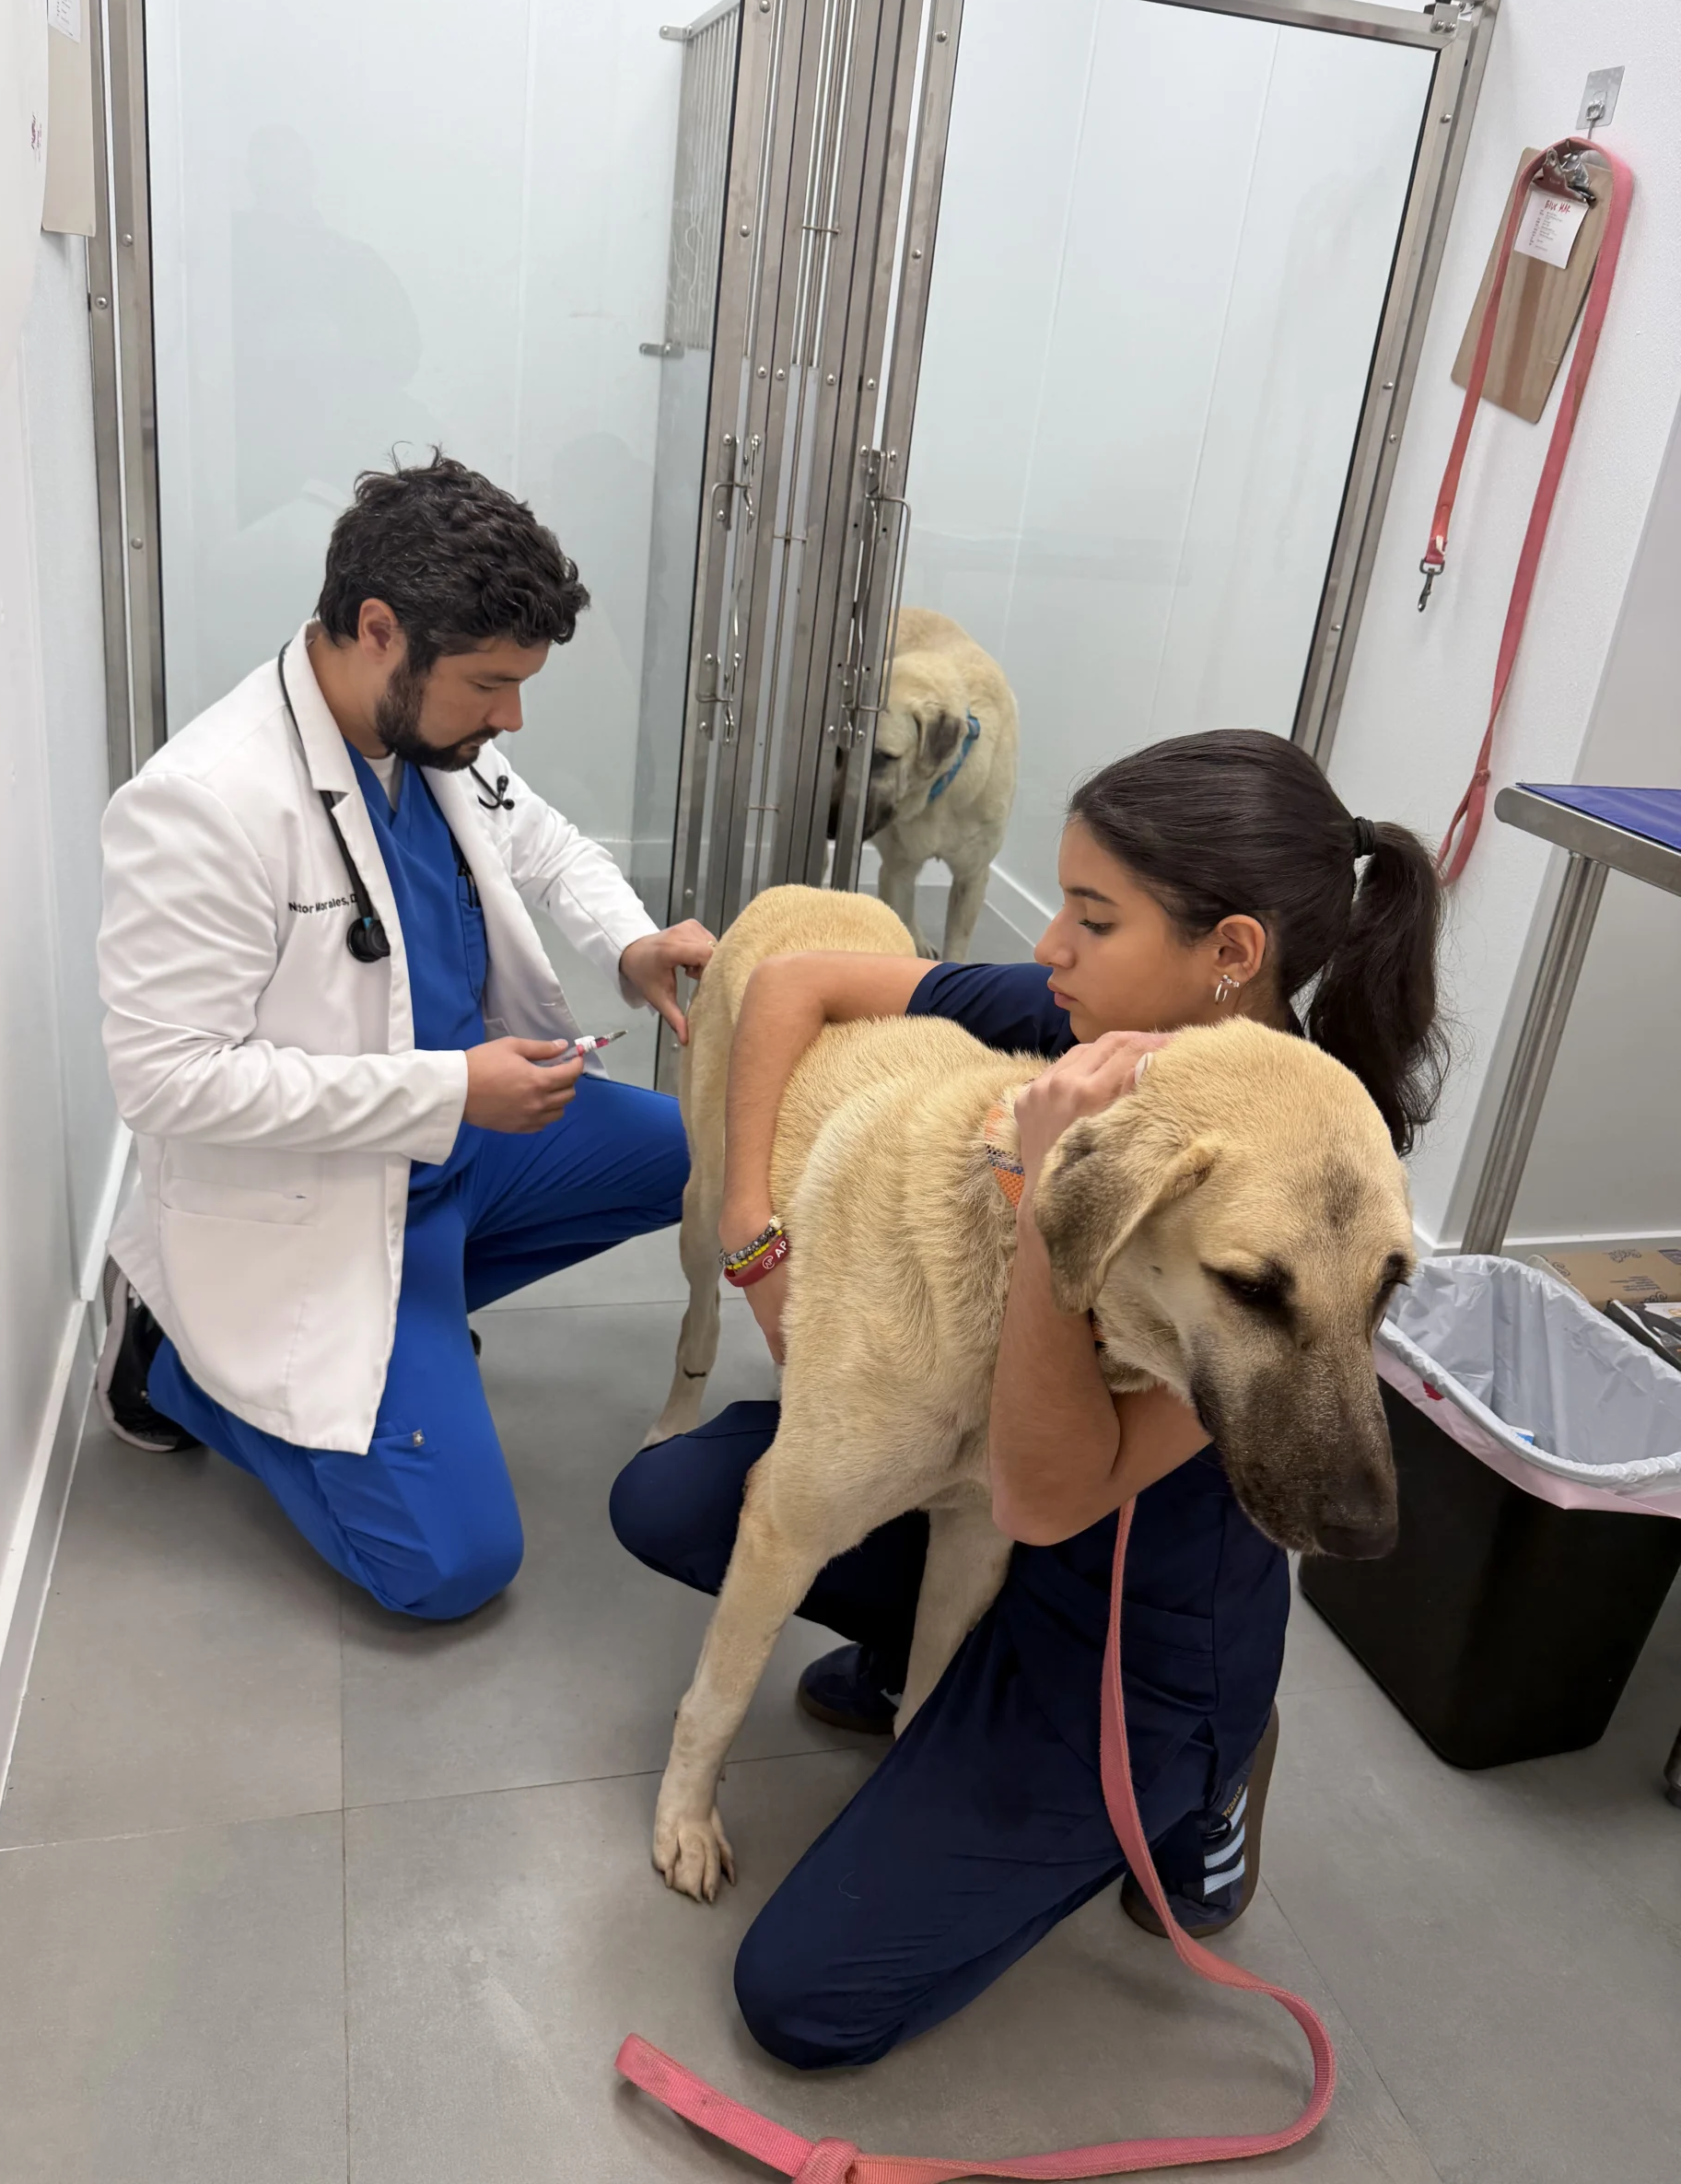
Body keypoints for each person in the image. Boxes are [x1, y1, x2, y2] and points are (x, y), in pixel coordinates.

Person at [610, 729, 1447, 2070]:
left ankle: (1213, 1775)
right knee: (671, 1496)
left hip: (1133, 1636)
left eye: (1093, 917)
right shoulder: (1097, 1027)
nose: (1049, 946)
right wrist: (757, 1239)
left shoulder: (1308, 1186)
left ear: (1227, 953)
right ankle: (919, 1682)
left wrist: (1050, 1192)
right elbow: (795, 982)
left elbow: (1039, 1495)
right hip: (1005, 1491)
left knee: (802, 2000)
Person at [95, 454, 713, 1621]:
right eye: (491, 684)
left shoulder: (431, 738)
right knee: (450, 1568)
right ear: (378, 628)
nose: (510, 717)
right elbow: (167, 1080)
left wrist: (632, 945)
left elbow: (545, 842)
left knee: (695, 1158)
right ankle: (178, 1360)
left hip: (458, 1142)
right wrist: (447, 1089)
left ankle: (405, 1323)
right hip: (323, 1189)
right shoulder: (205, 803)